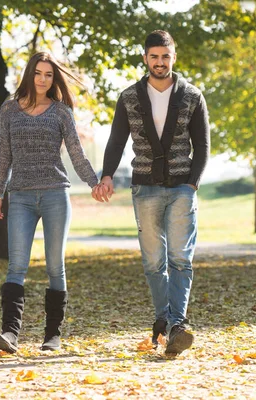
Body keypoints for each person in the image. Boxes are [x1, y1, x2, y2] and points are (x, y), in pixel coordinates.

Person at [93, 30, 210, 355]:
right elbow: (116, 141)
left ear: (174, 57)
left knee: (181, 259)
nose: (160, 62)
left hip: (181, 189)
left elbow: (202, 146)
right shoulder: (130, 96)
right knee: (154, 262)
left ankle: (177, 324)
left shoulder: (192, 96)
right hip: (144, 187)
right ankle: (164, 321)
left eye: (166, 56)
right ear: (146, 58)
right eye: (154, 56)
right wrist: (106, 175)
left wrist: (192, 183)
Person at [0, 52, 101, 354]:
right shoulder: (9, 110)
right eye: (38, 73)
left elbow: (76, 153)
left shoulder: (61, 112)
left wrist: (94, 182)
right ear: (29, 74)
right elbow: (4, 156)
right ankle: (10, 334)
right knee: (17, 265)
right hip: (21, 196)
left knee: (55, 265)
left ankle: (52, 335)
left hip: (55, 194)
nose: (42, 79)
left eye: (48, 75)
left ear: (54, 79)